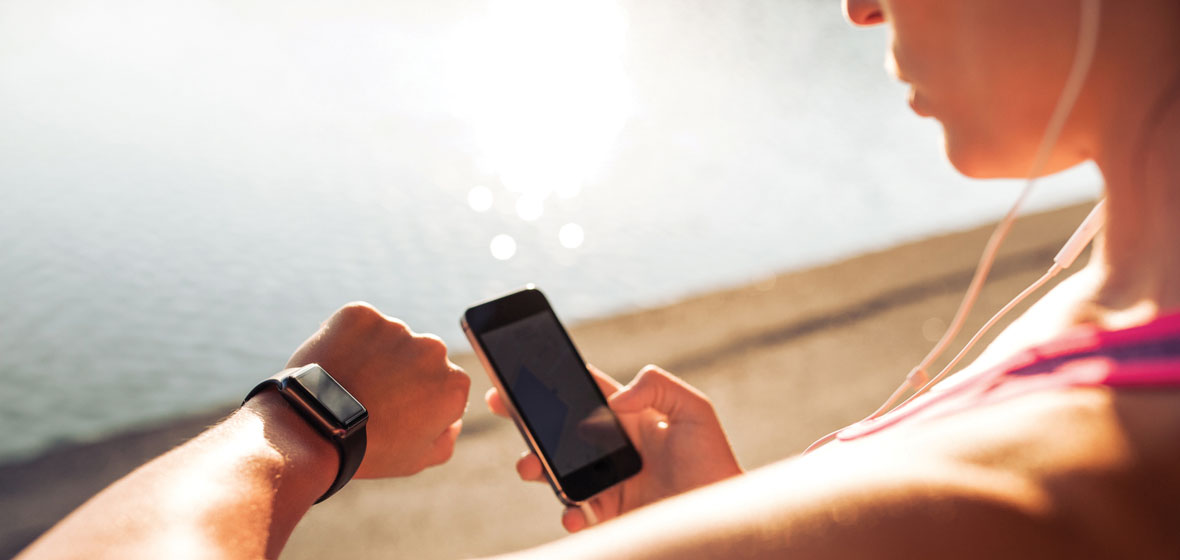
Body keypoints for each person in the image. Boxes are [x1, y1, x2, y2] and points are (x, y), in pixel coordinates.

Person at [17, 0, 1180, 557]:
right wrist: (736, 518)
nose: (860, 5)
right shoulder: (1114, 290)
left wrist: (302, 419)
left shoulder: (1052, 476)